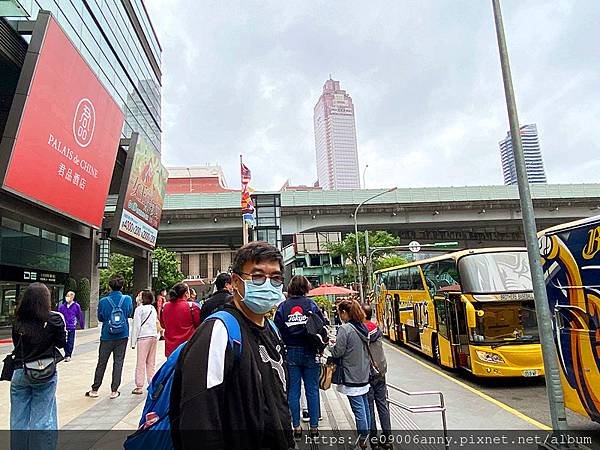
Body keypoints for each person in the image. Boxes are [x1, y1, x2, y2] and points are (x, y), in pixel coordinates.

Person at [170, 241, 293, 450]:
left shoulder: (272, 329)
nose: (267, 284)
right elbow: (199, 418)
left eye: (275, 278)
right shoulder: (218, 331)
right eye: (257, 276)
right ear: (235, 282)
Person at [10, 283, 66, 449]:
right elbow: (61, 343)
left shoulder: (18, 320)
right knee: (41, 420)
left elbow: (16, 345)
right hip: (44, 372)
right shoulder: (54, 319)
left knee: (18, 420)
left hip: (20, 372)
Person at [274, 275, 325, 439]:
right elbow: (321, 325)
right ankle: (314, 427)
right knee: (312, 390)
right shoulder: (311, 304)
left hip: (291, 352)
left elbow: (276, 330)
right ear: (306, 288)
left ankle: (296, 426)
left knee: (293, 391)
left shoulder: (283, 307)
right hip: (310, 351)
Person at [328, 300, 371, 449]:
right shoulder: (362, 327)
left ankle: (363, 441)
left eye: (340, 313)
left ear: (345, 313)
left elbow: (338, 352)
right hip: (364, 373)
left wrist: (330, 345)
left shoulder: (345, 329)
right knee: (365, 407)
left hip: (351, 374)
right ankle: (366, 438)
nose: (339, 316)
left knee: (358, 409)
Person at [86, 276, 133, 399]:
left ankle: (95, 389)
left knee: (102, 362)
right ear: (122, 286)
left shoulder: (103, 301)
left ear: (109, 286)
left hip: (107, 335)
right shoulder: (127, 299)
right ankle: (114, 390)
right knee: (118, 362)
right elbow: (129, 313)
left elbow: (100, 317)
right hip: (123, 335)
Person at [363, 304, 392, 449]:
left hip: (367, 373)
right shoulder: (376, 328)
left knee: (369, 407)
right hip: (380, 371)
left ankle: (373, 439)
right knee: (382, 404)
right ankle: (388, 437)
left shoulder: (359, 330)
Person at [160, 282, 200, 357]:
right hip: (188, 347)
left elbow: (163, 325)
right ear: (186, 294)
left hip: (170, 348)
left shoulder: (165, 307)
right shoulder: (192, 307)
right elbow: (199, 326)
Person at [131, 290, 159, 395]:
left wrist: (133, 342)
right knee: (151, 362)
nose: (138, 297)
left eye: (139, 295)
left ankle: (139, 386)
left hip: (143, 337)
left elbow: (136, 326)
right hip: (153, 336)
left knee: (141, 362)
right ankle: (152, 383)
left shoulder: (139, 309)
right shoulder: (152, 308)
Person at [57, 290, 84, 362]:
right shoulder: (62, 307)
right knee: (64, 341)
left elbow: (79, 315)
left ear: (72, 297)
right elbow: (59, 315)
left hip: (71, 326)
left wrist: (81, 325)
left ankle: (68, 355)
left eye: (69, 296)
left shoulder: (76, 306)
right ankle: (66, 353)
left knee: (70, 341)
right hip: (64, 326)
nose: (67, 297)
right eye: (67, 296)